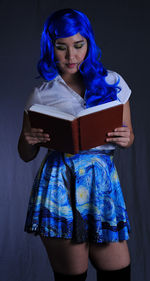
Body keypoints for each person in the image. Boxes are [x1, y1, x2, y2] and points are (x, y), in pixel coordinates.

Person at [18, 8, 134, 281]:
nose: (71, 56)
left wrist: (127, 139)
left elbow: (130, 137)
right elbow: (25, 154)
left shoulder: (113, 82)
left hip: (101, 186)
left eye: (78, 46)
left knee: (119, 273)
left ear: (89, 44)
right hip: (59, 186)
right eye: (61, 48)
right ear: (50, 48)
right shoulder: (41, 94)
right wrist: (28, 140)